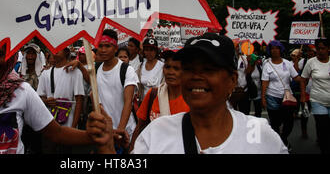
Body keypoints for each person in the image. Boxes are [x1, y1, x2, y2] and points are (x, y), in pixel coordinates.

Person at [87, 33, 288, 154]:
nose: (196, 77)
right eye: (189, 69)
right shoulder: (156, 132)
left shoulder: (260, 135)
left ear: (232, 80)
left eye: (209, 69)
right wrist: (107, 148)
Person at [129, 50, 189, 151]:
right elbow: (140, 126)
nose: (170, 72)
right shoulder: (153, 94)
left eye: (176, 68)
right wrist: (132, 149)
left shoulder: (191, 100)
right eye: (167, 67)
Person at [95, 29, 138, 152]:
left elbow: (128, 102)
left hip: (125, 132)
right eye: (100, 46)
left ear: (115, 48)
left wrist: (120, 131)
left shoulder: (126, 70)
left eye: (107, 46)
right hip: (106, 133)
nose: (103, 50)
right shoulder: (96, 70)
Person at [37, 47, 85, 153]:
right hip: (49, 124)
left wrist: (73, 127)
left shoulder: (75, 72)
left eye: (59, 48)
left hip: (68, 126)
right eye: (52, 48)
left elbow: (79, 101)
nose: (54, 50)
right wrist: (46, 101)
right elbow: (39, 98)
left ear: (67, 52)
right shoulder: (45, 74)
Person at [261, 40, 303, 150]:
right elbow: (265, 82)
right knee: (275, 123)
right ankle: (278, 142)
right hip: (272, 97)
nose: (275, 50)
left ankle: (283, 138)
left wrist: (304, 78)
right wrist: (263, 98)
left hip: (287, 97)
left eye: (277, 48)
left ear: (281, 50)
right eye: (272, 48)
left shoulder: (287, 63)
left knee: (289, 122)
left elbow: (295, 77)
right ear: (270, 50)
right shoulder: (267, 64)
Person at [300, 38, 330, 154]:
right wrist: (303, 96)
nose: (321, 51)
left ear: (328, 49)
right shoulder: (311, 62)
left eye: (323, 48)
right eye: (318, 49)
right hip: (317, 100)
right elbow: (303, 79)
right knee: (323, 128)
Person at [136, 38, 164, 102]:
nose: (149, 53)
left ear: (156, 51)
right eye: (147, 50)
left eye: (152, 50)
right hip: (143, 103)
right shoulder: (140, 66)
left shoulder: (162, 66)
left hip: (158, 102)